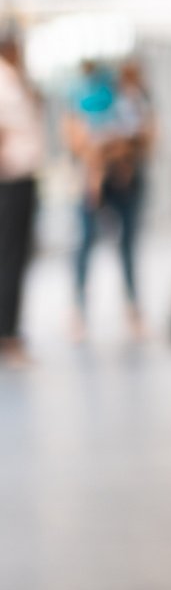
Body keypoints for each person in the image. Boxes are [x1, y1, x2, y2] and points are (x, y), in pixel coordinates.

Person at [63, 58, 153, 342]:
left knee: (127, 246)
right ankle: (78, 310)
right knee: (85, 244)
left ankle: (132, 309)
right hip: (95, 182)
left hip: (120, 181)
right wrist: (101, 161)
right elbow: (79, 143)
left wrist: (113, 153)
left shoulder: (131, 101)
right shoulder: (85, 100)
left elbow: (145, 139)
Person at [0, 33, 42, 367]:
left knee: (15, 256)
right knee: (10, 257)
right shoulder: (3, 81)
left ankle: (10, 329)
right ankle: (7, 333)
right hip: (10, 179)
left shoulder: (15, 81)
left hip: (22, 176)